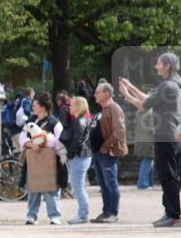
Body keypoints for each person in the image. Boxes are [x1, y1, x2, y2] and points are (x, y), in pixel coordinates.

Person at [119, 51, 181, 227]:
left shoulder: (166, 85)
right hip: (171, 135)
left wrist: (126, 95)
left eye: (159, 63)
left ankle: (174, 215)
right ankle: (170, 212)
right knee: (170, 175)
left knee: (167, 175)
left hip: (165, 135)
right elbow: (150, 100)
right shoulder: (175, 84)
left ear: (167, 66)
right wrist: (131, 87)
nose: (156, 66)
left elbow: (144, 106)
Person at [19, 93, 65, 225]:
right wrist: (31, 144)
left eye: (35, 105)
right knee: (33, 188)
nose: (32, 107)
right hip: (33, 160)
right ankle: (32, 216)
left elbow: (59, 141)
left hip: (50, 160)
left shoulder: (55, 123)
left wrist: (45, 143)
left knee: (51, 188)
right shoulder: (30, 121)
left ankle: (55, 216)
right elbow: (22, 137)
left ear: (43, 107)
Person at [89, 82, 127, 223]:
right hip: (98, 152)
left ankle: (113, 213)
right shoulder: (101, 109)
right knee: (103, 185)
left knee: (111, 183)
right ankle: (106, 211)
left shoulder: (114, 108)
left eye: (97, 92)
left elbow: (120, 131)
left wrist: (106, 146)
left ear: (107, 94)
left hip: (107, 152)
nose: (94, 95)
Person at [59, 96, 92, 225]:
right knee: (80, 187)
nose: (69, 108)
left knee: (79, 188)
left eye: (72, 105)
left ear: (78, 107)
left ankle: (83, 215)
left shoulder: (79, 122)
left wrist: (69, 154)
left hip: (79, 157)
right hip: (83, 156)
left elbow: (76, 141)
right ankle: (83, 214)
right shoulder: (84, 120)